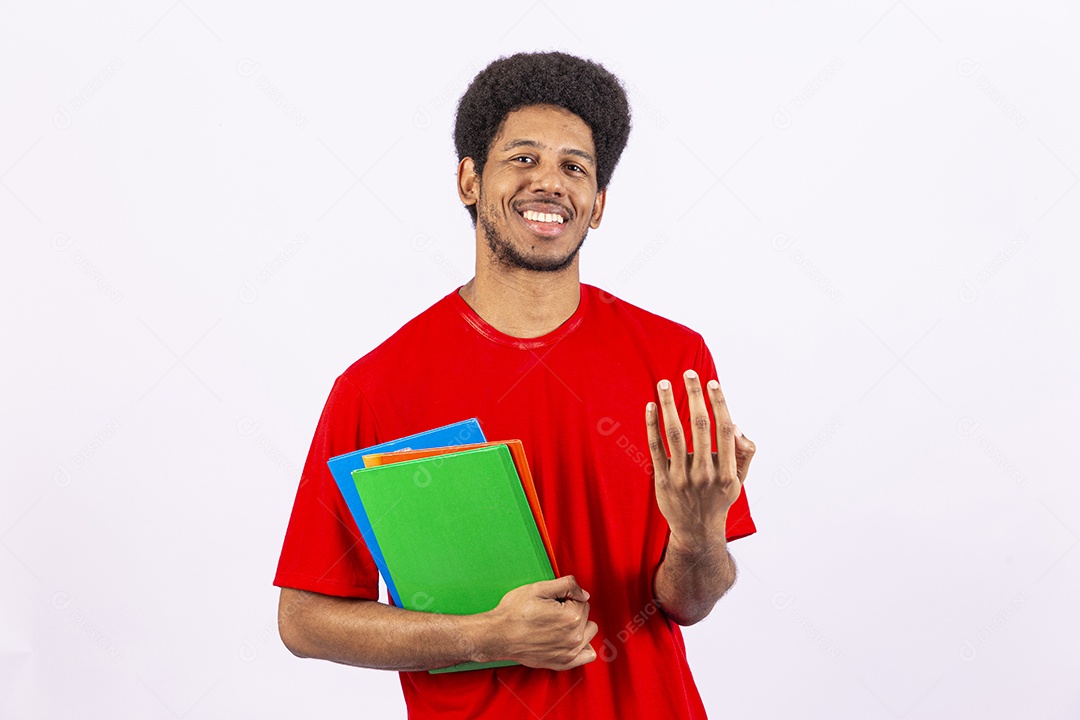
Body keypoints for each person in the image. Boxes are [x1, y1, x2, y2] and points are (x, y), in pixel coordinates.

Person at [274, 51, 758, 719]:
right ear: (470, 179)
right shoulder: (376, 385)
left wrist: (699, 534)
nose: (550, 183)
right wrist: (480, 637)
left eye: (574, 167)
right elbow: (302, 619)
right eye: (523, 158)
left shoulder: (673, 360)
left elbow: (688, 601)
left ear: (598, 205)